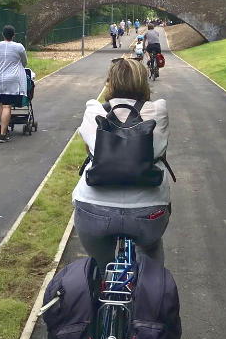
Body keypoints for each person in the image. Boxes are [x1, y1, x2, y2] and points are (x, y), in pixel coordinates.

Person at [72, 58, 172, 273]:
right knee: (150, 250)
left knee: (101, 266)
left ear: (110, 82)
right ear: (143, 82)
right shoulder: (159, 111)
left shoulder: (94, 110)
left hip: (93, 210)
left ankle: (100, 285)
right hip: (148, 212)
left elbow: (90, 151)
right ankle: (150, 285)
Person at [0, 24, 28, 143]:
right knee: (7, 106)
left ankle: (3, 127)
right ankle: (3, 134)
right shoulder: (19, 47)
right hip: (11, 78)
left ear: (3, 34)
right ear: (14, 35)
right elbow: (24, 62)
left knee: (1, 104)